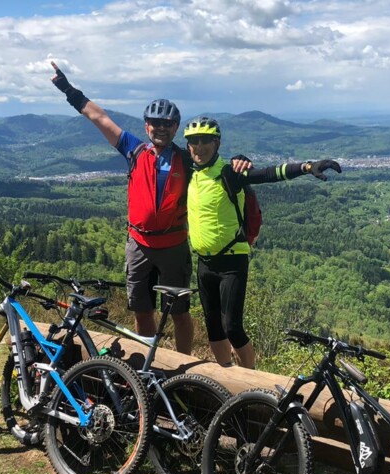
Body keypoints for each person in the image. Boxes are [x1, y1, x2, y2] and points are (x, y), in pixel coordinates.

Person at [49, 62, 247, 355]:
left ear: (175, 128)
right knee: (142, 310)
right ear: (146, 126)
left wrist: (241, 160)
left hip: (173, 246)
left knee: (179, 312)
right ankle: (149, 365)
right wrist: (68, 90)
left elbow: (216, 164)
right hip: (138, 244)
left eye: (167, 124)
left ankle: (181, 366)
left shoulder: (187, 159)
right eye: (155, 123)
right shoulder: (135, 150)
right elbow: (99, 118)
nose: (161, 128)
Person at [182, 116, 341, 369]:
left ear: (217, 142)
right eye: (193, 141)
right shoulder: (190, 171)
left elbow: (268, 174)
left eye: (206, 141)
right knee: (213, 327)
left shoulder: (229, 173)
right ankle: (225, 377)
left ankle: (250, 384)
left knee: (232, 328)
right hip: (204, 262)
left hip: (232, 259)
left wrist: (306, 167)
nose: (199, 147)